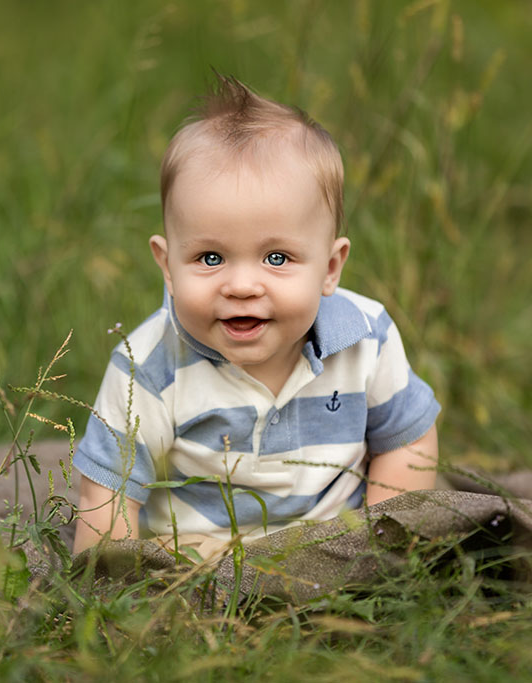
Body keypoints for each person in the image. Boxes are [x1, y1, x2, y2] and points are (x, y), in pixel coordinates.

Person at [72, 75, 440, 557]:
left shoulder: (367, 338)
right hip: (197, 571)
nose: (242, 286)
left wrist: (384, 545)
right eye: (210, 258)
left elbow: (406, 438)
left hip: (338, 556)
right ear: (167, 265)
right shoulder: (148, 365)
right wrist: (111, 590)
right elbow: (107, 493)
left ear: (330, 268)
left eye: (277, 258)